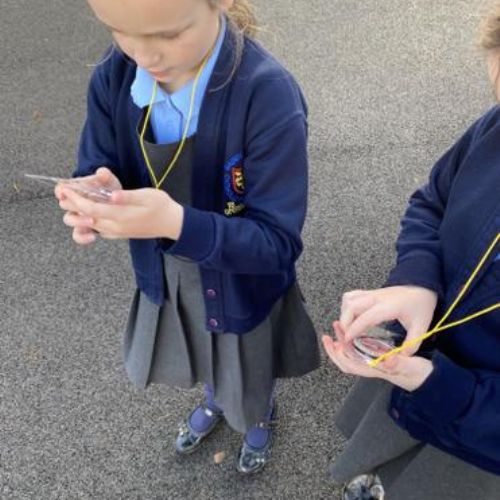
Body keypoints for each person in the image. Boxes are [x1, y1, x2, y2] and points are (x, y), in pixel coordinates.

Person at [55, 0, 319, 474]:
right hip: (171, 275)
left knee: (246, 360)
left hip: (243, 281)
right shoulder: (116, 73)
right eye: (119, 30)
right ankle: (217, 398)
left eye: (169, 34)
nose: (144, 56)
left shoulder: (267, 95)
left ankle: (259, 412)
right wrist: (94, 190)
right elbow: (98, 157)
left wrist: (175, 223)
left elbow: (276, 244)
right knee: (203, 343)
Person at [323, 5, 500, 499]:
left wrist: (436, 385)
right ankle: (378, 477)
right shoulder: (492, 128)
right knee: (386, 450)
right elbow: (432, 201)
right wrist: (415, 281)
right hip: (417, 363)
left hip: (478, 443)